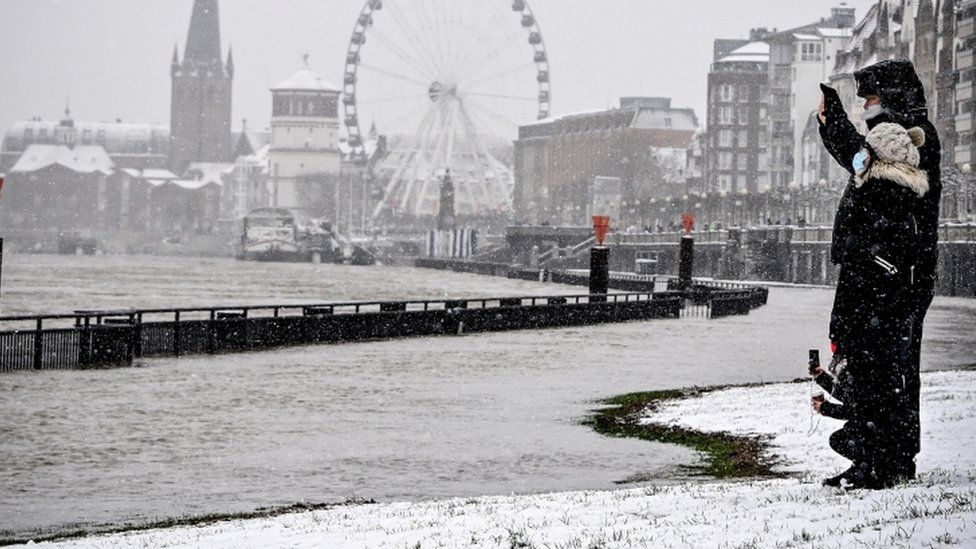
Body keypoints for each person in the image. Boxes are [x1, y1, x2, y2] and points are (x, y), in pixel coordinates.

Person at [817, 60, 941, 485]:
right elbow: (861, 162)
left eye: (870, 99)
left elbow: (864, 166)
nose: (866, 107)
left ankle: (886, 457)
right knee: (875, 366)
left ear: (888, 98)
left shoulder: (903, 141)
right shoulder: (893, 139)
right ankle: (875, 453)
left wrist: (834, 122)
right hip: (883, 274)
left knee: (887, 369)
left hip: (890, 278)